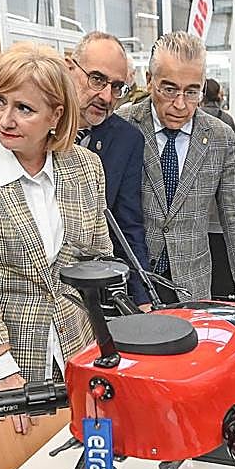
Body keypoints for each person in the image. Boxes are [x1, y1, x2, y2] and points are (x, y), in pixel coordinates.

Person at [0, 43, 110, 434]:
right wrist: (1, 370)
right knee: (14, 467)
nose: (5, 119)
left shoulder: (85, 166)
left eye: (24, 108)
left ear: (56, 115)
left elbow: (98, 255)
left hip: (75, 345)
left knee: (81, 453)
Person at [119, 32, 235, 303]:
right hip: (133, 287)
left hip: (192, 286)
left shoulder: (220, 137)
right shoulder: (123, 126)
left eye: (192, 92)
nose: (180, 104)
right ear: (149, 81)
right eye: (169, 89)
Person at [65, 31, 151, 306]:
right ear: (70, 68)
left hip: (94, 291)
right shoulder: (35, 128)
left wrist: (142, 298)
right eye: (97, 79)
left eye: (116, 87)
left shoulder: (128, 140)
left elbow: (128, 226)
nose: (106, 96)